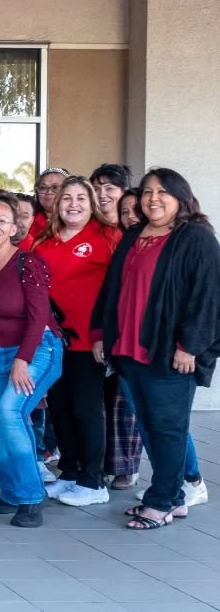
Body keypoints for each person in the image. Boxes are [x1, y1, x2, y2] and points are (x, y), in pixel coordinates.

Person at [95, 168, 220, 530]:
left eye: (163, 192)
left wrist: (190, 346)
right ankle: (174, 498)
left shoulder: (195, 238)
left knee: (168, 429)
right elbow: (113, 288)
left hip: (169, 353)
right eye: (148, 192)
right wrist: (102, 333)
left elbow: (208, 297)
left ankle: (161, 501)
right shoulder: (134, 235)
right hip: (129, 349)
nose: (153, 198)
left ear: (181, 196)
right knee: (149, 427)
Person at [0, 192, 65, 530]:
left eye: (1, 221)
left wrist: (23, 360)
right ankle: (10, 491)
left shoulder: (28, 262)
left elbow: (39, 317)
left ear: (14, 228)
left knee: (11, 412)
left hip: (38, 349)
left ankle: (31, 496)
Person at [33, 177, 115, 506]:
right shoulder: (44, 240)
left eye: (81, 197)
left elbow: (117, 292)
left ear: (92, 202)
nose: (73, 204)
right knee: (61, 410)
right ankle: (69, 472)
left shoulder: (107, 236)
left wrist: (105, 336)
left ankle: (94, 481)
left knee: (87, 410)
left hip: (90, 343)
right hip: (53, 342)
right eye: (67, 197)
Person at [30, 167, 69, 242]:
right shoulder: (28, 219)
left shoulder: (75, 221)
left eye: (55, 187)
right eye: (43, 188)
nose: (49, 192)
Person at [90, 163, 132, 230]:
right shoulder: (84, 225)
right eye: (96, 189)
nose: (101, 195)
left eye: (109, 188)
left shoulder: (132, 225)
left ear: (124, 191)